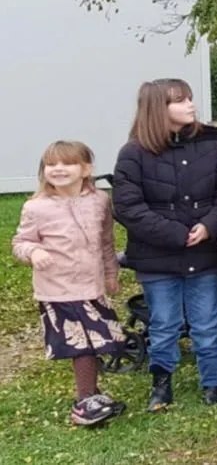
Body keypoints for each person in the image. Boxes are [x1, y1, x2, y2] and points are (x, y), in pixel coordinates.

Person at [113, 78, 217, 412]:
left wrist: (209, 226)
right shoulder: (133, 153)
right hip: (158, 257)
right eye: (180, 100)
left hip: (205, 254)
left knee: (207, 325)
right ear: (158, 108)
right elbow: (128, 207)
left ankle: (214, 385)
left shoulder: (210, 147)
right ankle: (161, 386)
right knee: (164, 325)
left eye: (190, 98)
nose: (190, 105)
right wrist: (174, 233)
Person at [12, 141, 127, 426]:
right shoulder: (36, 207)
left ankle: (92, 394)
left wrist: (111, 274)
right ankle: (84, 403)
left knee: (102, 340)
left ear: (86, 169)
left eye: (67, 163)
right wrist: (34, 252)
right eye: (51, 164)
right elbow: (21, 242)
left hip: (92, 287)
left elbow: (106, 242)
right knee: (81, 345)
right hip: (58, 290)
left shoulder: (100, 200)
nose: (58, 169)